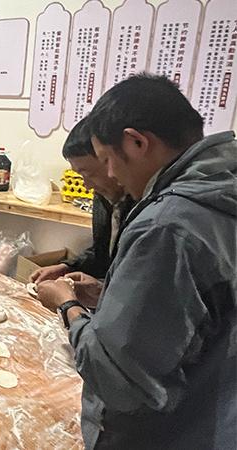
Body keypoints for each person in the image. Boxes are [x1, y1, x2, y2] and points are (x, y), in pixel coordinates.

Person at [36, 73, 236, 449]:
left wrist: (67, 305)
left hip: (162, 433)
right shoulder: (221, 193)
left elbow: (116, 377)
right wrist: (108, 293)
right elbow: (193, 314)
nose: (110, 174)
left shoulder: (168, 226)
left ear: (137, 142)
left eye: (108, 160)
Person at [30, 117, 135, 286]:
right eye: (80, 176)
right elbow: (102, 254)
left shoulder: (148, 211)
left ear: (110, 161)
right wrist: (68, 267)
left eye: (89, 174)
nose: (87, 185)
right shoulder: (104, 196)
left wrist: (68, 301)